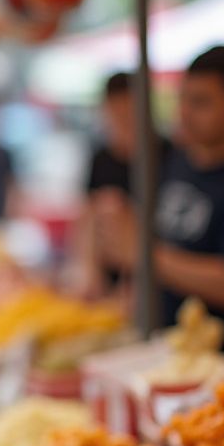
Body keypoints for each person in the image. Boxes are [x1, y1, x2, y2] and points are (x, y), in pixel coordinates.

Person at [100, 46, 224, 350]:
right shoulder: (178, 161)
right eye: (183, 99)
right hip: (169, 348)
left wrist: (144, 254)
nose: (185, 112)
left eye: (201, 102)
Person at [75, 72, 170, 298]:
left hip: (156, 280)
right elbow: (88, 214)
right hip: (110, 283)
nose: (123, 123)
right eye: (117, 115)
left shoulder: (168, 155)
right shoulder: (102, 159)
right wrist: (88, 268)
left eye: (129, 114)